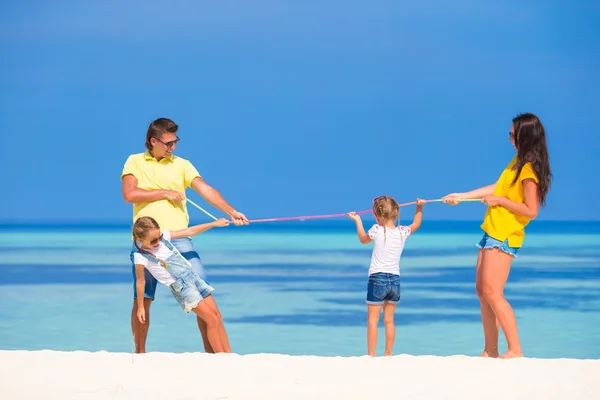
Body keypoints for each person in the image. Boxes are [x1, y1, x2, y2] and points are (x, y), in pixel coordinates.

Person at [121, 117, 249, 353]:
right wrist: (166, 193)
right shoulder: (135, 161)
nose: (173, 148)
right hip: (147, 244)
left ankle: (213, 354)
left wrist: (232, 211)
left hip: (180, 239)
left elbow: (206, 190)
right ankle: (139, 354)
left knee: (202, 295)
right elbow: (129, 194)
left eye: (175, 142)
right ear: (153, 141)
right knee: (143, 299)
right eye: (168, 143)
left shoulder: (182, 164)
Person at [442, 112, 552, 359]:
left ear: (527, 136)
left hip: (504, 235)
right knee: (482, 291)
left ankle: (515, 349)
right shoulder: (516, 162)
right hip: (491, 230)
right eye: (510, 134)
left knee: (493, 291)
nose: (510, 138)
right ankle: (490, 350)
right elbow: (496, 187)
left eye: (513, 134)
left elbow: (531, 210)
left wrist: (500, 201)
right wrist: (462, 196)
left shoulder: (528, 169)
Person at [133, 216, 232, 352]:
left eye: (159, 236)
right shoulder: (140, 257)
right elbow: (140, 281)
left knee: (217, 316)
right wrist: (140, 307)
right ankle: (221, 357)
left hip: (193, 277)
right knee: (211, 320)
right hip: (183, 288)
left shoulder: (164, 238)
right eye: (153, 241)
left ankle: (230, 356)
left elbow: (189, 231)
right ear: (140, 240)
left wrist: (215, 223)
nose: (158, 242)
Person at [347, 196, 426, 357]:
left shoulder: (376, 229)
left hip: (378, 279)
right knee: (389, 321)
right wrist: (420, 208)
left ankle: (371, 355)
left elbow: (363, 240)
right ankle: (388, 353)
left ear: (377, 216)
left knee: (372, 321)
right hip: (394, 281)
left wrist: (357, 220)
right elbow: (416, 223)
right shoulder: (402, 232)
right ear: (396, 214)